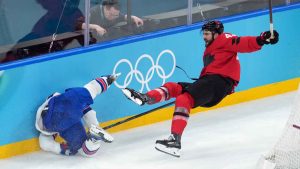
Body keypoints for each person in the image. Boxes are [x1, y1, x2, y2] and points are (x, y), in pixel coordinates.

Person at [122, 20, 279, 157]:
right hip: (210, 82)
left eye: (207, 34)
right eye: (204, 33)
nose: (204, 37)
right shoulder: (212, 47)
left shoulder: (225, 39)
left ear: (217, 34)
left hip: (218, 83)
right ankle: (147, 98)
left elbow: (243, 43)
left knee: (184, 98)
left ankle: (175, 140)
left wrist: (262, 39)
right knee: (174, 87)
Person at [35, 74, 120, 157]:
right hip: (64, 109)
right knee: (90, 90)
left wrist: (64, 150)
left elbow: (44, 144)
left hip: (54, 122)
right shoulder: (71, 102)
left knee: (90, 89)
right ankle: (94, 140)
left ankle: (108, 79)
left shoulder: (49, 129)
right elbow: (89, 114)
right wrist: (94, 126)